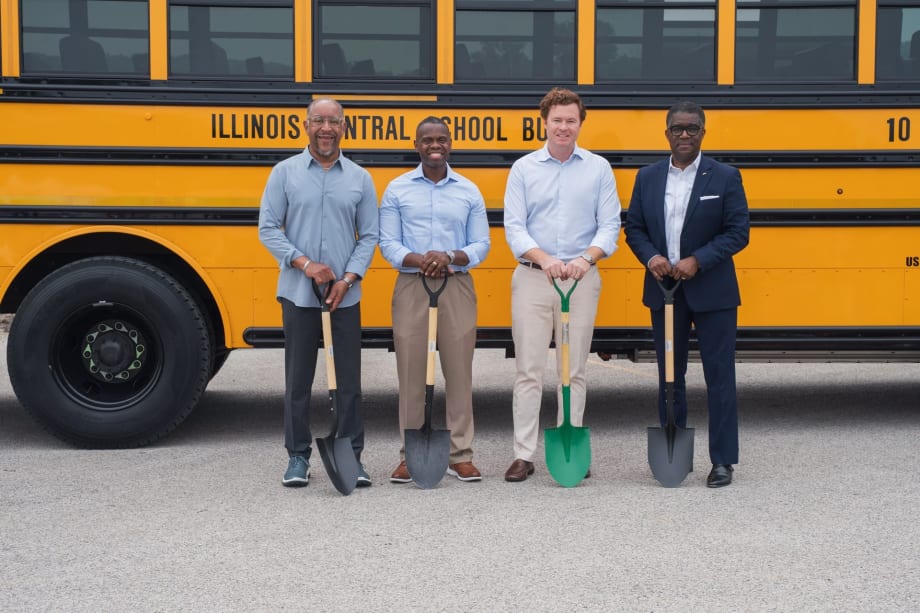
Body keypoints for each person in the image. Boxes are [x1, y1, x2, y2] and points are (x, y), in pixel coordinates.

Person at [624, 100, 750, 488]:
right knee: (669, 376)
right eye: (677, 128)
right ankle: (672, 451)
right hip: (665, 292)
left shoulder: (725, 177)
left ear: (702, 133)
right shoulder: (647, 178)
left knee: (720, 377)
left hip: (713, 292)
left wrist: (698, 259)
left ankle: (723, 460)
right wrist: (652, 257)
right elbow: (634, 228)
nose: (684, 135)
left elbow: (737, 232)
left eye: (692, 129)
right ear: (666, 133)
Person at [502, 88, 622, 482]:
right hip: (533, 278)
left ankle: (572, 445)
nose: (564, 127)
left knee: (573, 370)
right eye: (557, 120)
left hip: (581, 280)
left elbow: (609, 225)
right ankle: (523, 453)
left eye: (571, 120)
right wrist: (546, 259)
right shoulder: (524, 168)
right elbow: (514, 227)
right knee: (529, 370)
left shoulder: (598, 168)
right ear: (544, 122)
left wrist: (585, 259)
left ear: (581, 123)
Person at [258, 98, 379, 488]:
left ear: (344, 127)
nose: (326, 128)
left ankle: (351, 455)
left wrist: (348, 278)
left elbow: (370, 235)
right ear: (305, 125)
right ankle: (297, 456)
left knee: (348, 382)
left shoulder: (359, 178)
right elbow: (269, 228)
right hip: (299, 292)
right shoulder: (285, 173)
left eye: (334, 122)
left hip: (344, 296)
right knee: (298, 380)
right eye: (319, 121)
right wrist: (305, 263)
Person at [379, 117, 491, 483]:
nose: (434, 145)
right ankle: (410, 454)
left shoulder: (468, 191)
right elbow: (388, 244)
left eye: (441, 139)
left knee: (459, 372)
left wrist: (450, 256)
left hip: (456, 285)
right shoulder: (397, 189)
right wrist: (421, 259)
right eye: (427, 140)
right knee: (411, 372)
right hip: (412, 286)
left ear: (450, 144)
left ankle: (460, 454)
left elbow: (481, 245)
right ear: (416, 145)